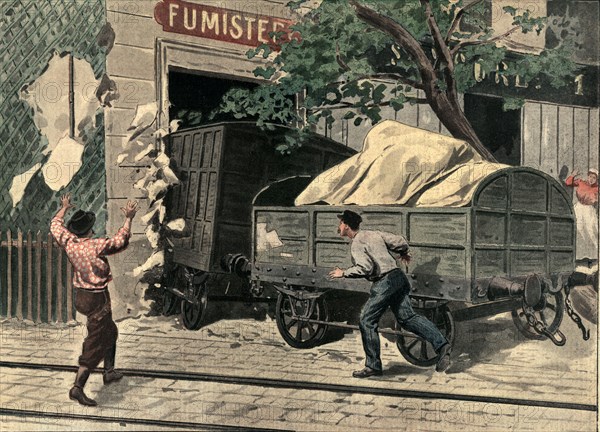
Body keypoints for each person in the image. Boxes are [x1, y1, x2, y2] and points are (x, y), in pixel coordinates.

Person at [328, 210, 451, 378]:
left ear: (347, 226)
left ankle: (373, 366)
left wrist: (343, 273)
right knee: (407, 318)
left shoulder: (357, 243)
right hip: (398, 278)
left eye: (340, 223)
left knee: (366, 320)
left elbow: (365, 268)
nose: (339, 227)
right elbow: (400, 241)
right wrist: (403, 253)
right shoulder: (373, 234)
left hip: (385, 282)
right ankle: (442, 345)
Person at [50, 193, 139, 406]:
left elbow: (54, 225)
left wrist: (63, 208)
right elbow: (120, 241)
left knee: (110, 331)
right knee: (94, 343)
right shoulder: (95, 245)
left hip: (81, 296)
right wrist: (129, 218)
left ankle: (108, 371)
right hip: (96, 298)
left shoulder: (69, 242)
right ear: (89, 230)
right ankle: (77, 388)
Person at [565, 168, 598, 264]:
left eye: (594, 178)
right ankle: (579, 255)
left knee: (591, 230)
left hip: (589, 210)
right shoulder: (581, 182)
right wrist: (573, 174)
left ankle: (593, 256)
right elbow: (568, 182)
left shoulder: (597, 188)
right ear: (588, 176)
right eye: (590, 176)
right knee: (578, 229)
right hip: (579, 208)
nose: (591, 179)